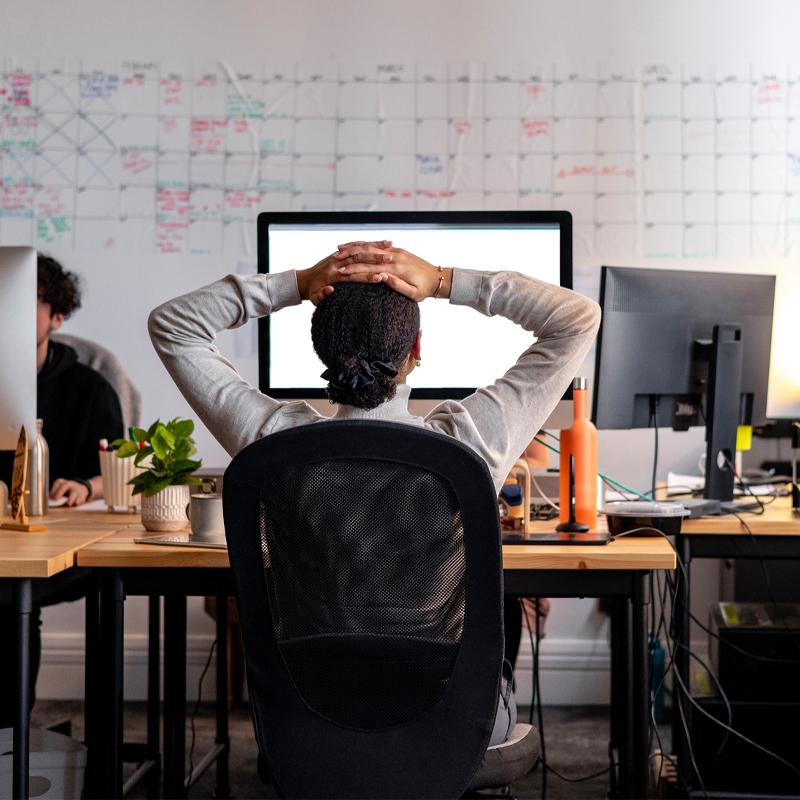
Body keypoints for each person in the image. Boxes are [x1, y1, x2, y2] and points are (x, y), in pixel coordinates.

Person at [148, 241, 601, 746]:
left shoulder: (275, 442)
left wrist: (297, 284)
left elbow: (174, 325)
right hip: (448, 717)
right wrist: (446, 279)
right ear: (416, 351)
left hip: (308, 711)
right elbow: (578, 318)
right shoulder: (471, 444)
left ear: (320, 351)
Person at [0, 255, 124, 727]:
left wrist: (85, 485)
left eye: (25, 304)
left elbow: (119, 467)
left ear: (57, 316)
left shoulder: (87, 386)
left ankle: (11, 739)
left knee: (11, 598)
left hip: (60, 546)